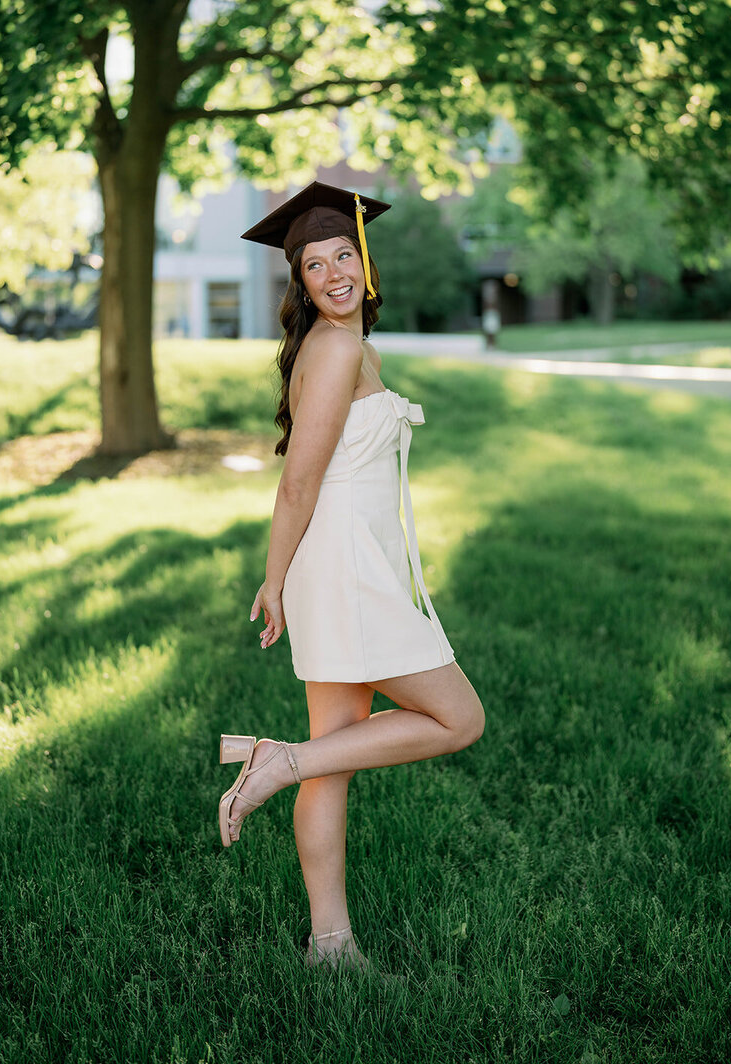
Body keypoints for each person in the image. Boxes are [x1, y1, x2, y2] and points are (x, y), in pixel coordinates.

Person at [219, 182, 485, 976]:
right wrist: (275, 578)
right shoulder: (337, 350)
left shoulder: (346, 345)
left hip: (344, 561)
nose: (334, 273)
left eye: (344, 255)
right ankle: (281, 762)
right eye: (314, 264)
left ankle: (329, 945)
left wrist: (284, 576)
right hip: (341, 566)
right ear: (298, 282)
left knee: (335, 752)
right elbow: (300, 481)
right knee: (457, 718)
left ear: (364, 262)